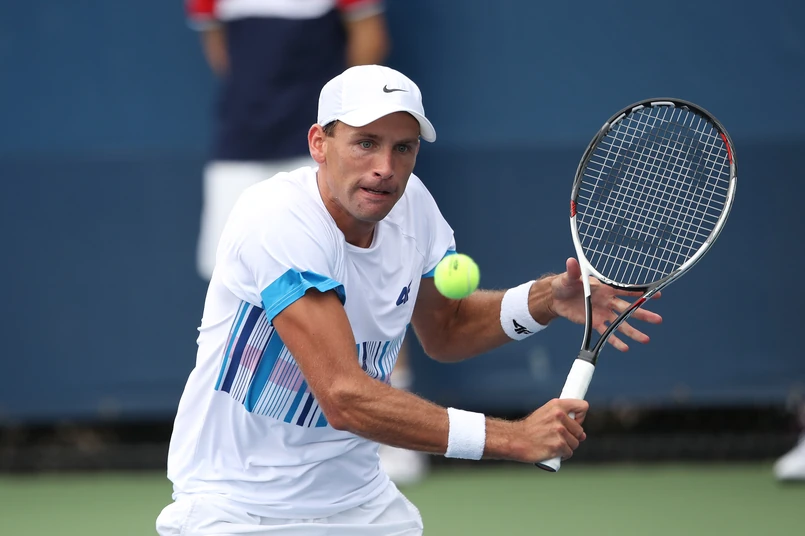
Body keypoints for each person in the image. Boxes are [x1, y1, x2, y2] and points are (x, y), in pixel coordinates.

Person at [157, 65, 663, 535]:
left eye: (403, 148)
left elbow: (447, 330)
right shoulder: (276, 219)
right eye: (366, 143)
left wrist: (546, 299)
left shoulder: (413, 206)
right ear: (319, 143)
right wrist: (513, 437)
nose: (386, 168)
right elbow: (344, 396)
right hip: (237, 507)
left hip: (360, 504)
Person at [187, 0, 391, 281]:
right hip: (240, 142)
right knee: (231, 271)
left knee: (331, 265)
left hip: (318, 143)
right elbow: (219, 48)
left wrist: (337, 117)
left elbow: (370, 37)